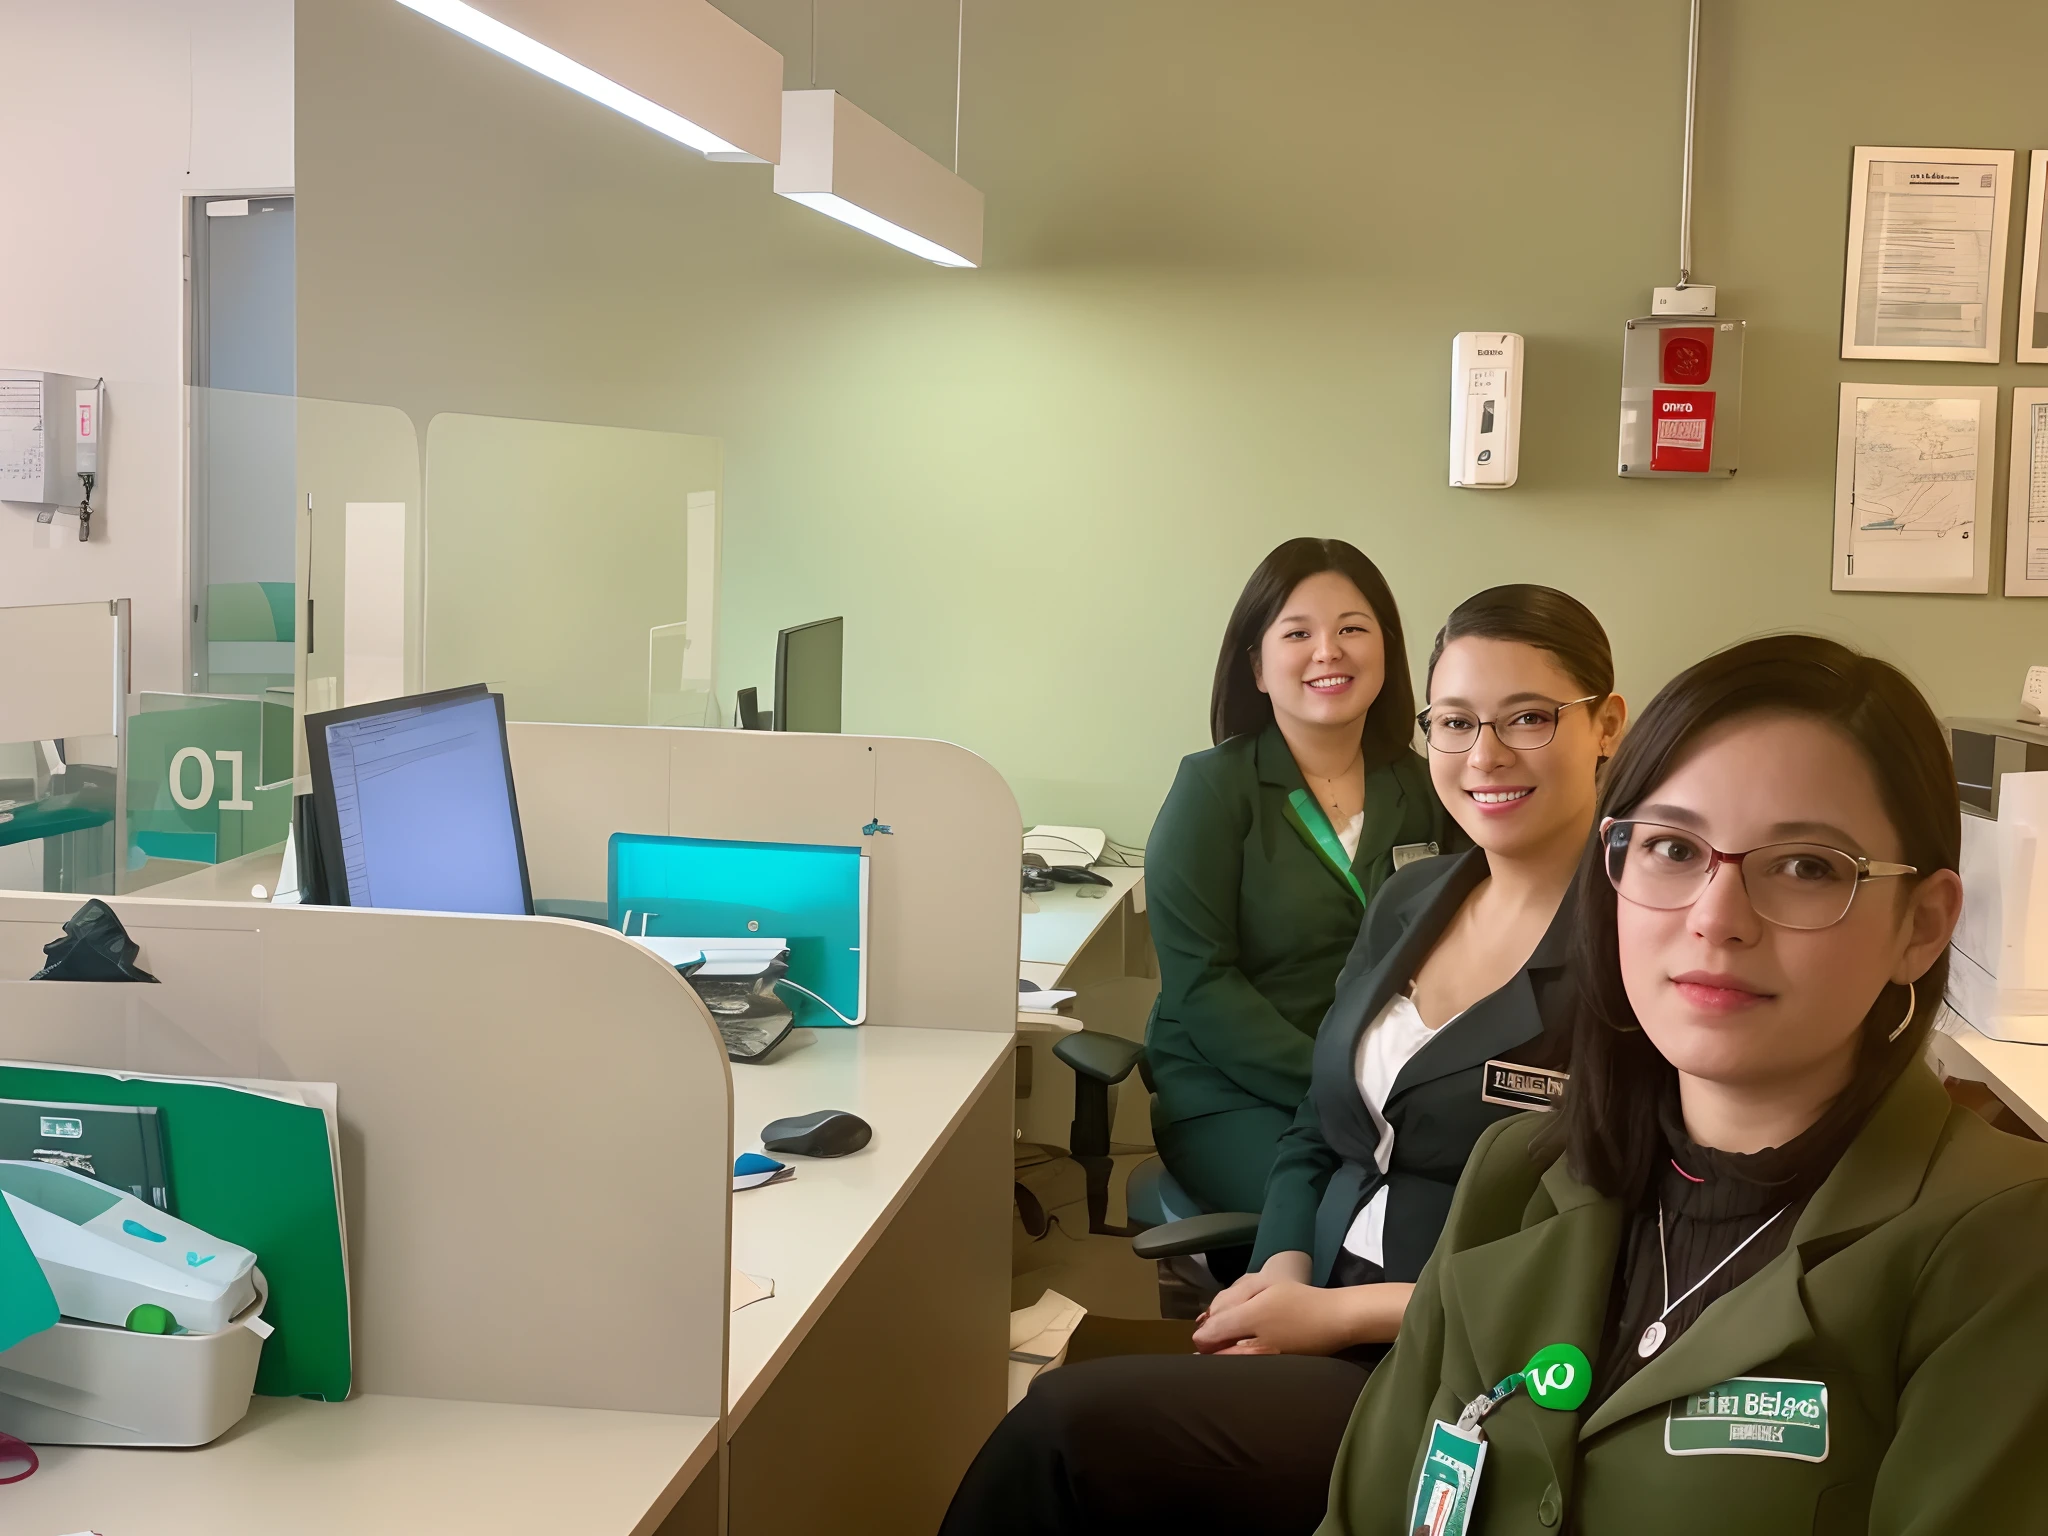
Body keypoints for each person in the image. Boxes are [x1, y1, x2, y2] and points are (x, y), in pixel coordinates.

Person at [1319, 634, 2048, 1534]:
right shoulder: (1516, 1173)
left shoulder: (2002, 1248)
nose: (1716, 919)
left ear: (1924, 924)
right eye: (1671, 847)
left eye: (1808, 866)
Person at [939, 585, 1626, 1536]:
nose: (1486, 754)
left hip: (1465, 1366)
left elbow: (1607, 1254)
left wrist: (1336, 1321)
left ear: (1606, 725)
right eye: (1458, 722)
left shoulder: (1637, 949)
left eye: (1529, 718)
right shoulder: (1415, 899)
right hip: (1326, 1301)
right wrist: (1282, 1269)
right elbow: (1321, 1120)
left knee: (1064, 1434)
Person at [1142, 538, 1453, 1224]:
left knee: (1448, 1218)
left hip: (1390, 1086)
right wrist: (1338, 1082)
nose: (1328, 651)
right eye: (1298, 632)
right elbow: (1201, 985)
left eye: (1351, 629)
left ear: (1386, 650)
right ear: (1256, 665)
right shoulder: (1214, 790)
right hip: (1237, 1090)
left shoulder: (1429, 787)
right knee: (1348, 1220)